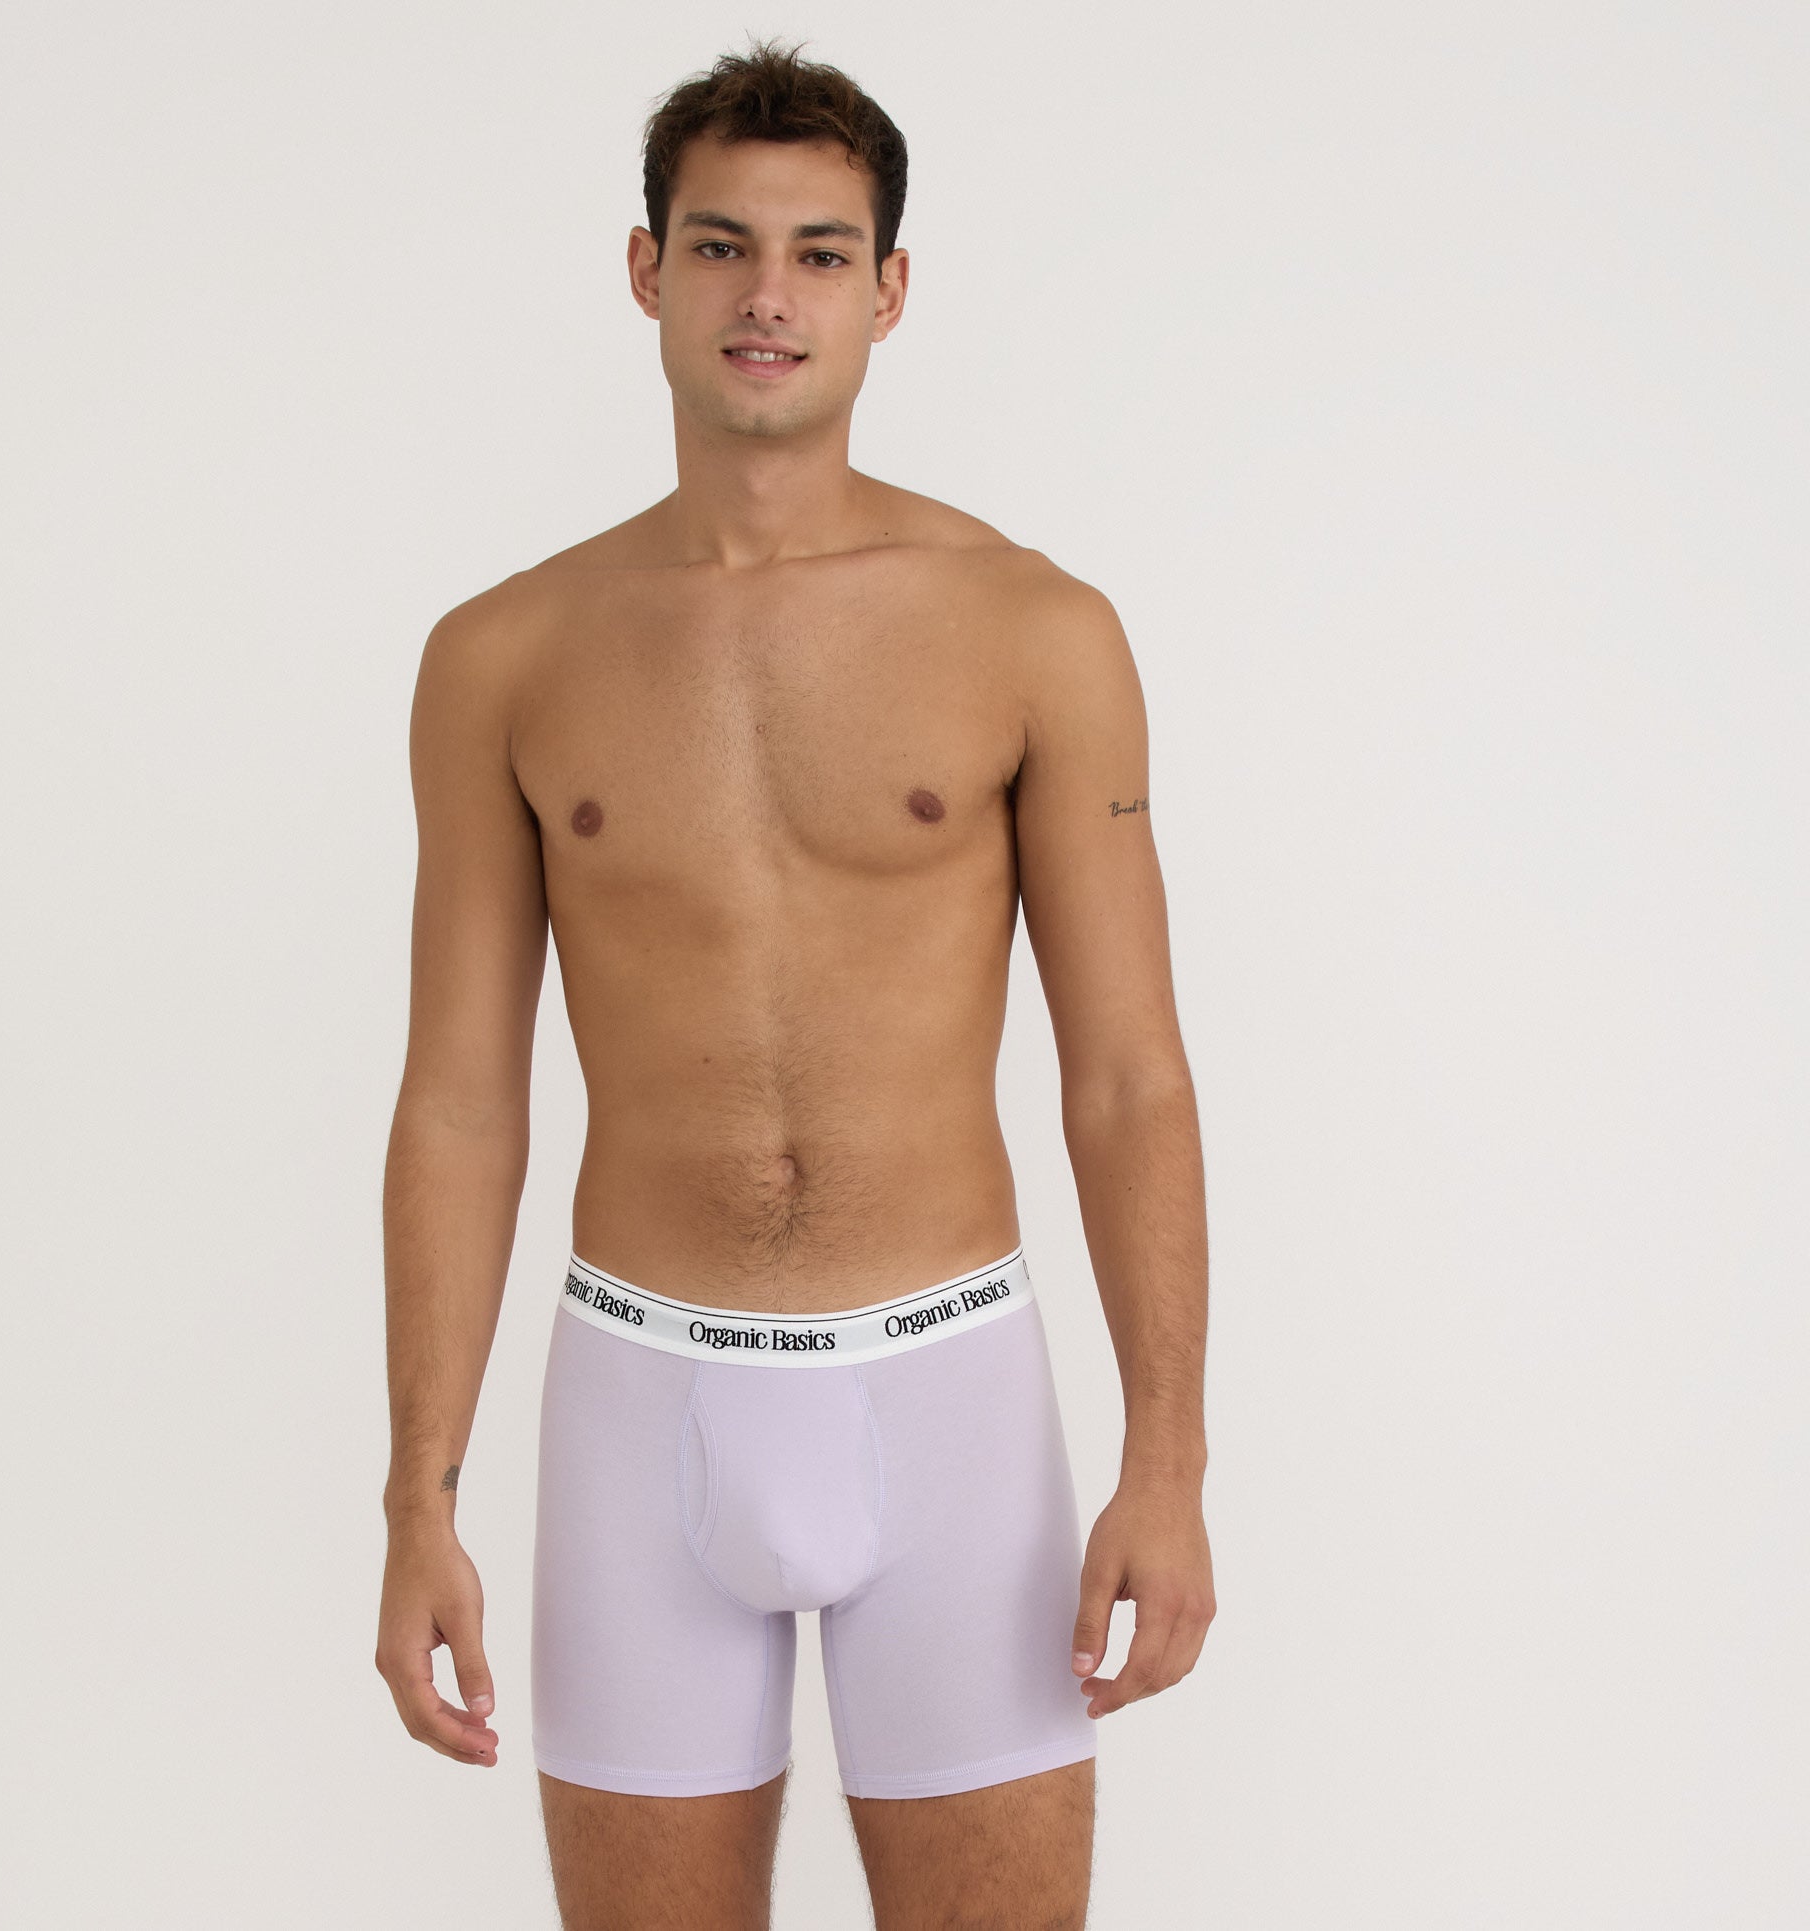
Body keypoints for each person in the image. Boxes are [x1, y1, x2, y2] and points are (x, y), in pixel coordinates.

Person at [375, 36, 1214, 1930]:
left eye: (822, 253)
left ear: (889, 290)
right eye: (723, 245)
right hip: (638, 1396)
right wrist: (418, 1495)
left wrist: (1167, 1457)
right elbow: (461, 1097)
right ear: (647, 270)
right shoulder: (503, 656)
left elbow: (1128, 1076)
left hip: (950, 1394)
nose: (770, 295)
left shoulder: (1036, 630)